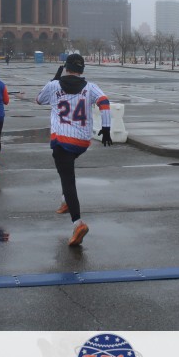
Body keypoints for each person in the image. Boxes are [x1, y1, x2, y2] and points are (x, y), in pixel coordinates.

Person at [35, 53, 112, 247]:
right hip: (82, 141)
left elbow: (39, 100)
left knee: (67, 179)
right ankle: (65, 200)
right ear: (82, 69)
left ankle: (78, 223)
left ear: (66, 67)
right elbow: (104, 102)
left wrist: (53, 80)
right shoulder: (90, 87)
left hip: (62, 139)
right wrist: (106, 128)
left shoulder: (54, 86)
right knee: (65, 167)